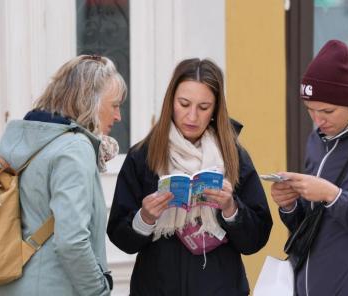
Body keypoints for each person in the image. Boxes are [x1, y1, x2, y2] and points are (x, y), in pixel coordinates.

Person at [107, 58, 272, 295]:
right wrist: (144, 218)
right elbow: (121, 240)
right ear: (170, 102)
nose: (192, 117)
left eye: (203, 107)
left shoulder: (233, 156)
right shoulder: (143, 156)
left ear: (216, 109)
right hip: (157, 288)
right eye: (184, 104)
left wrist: (231, 209)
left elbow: (255, 240)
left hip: (221, 287)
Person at [271, 40, 348, 295]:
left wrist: (333, 196)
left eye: (327, 110)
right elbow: (314, 224)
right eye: (310, 110)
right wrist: (290, 205)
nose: (318, 120)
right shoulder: (317, 139)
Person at [0, 55, 126, 296]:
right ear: (91, 101)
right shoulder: (74, 149)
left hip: (17, 284)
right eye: (115, 105)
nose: (118, 116)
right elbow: (72, 241)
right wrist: (99, 290)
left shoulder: (33, 140)